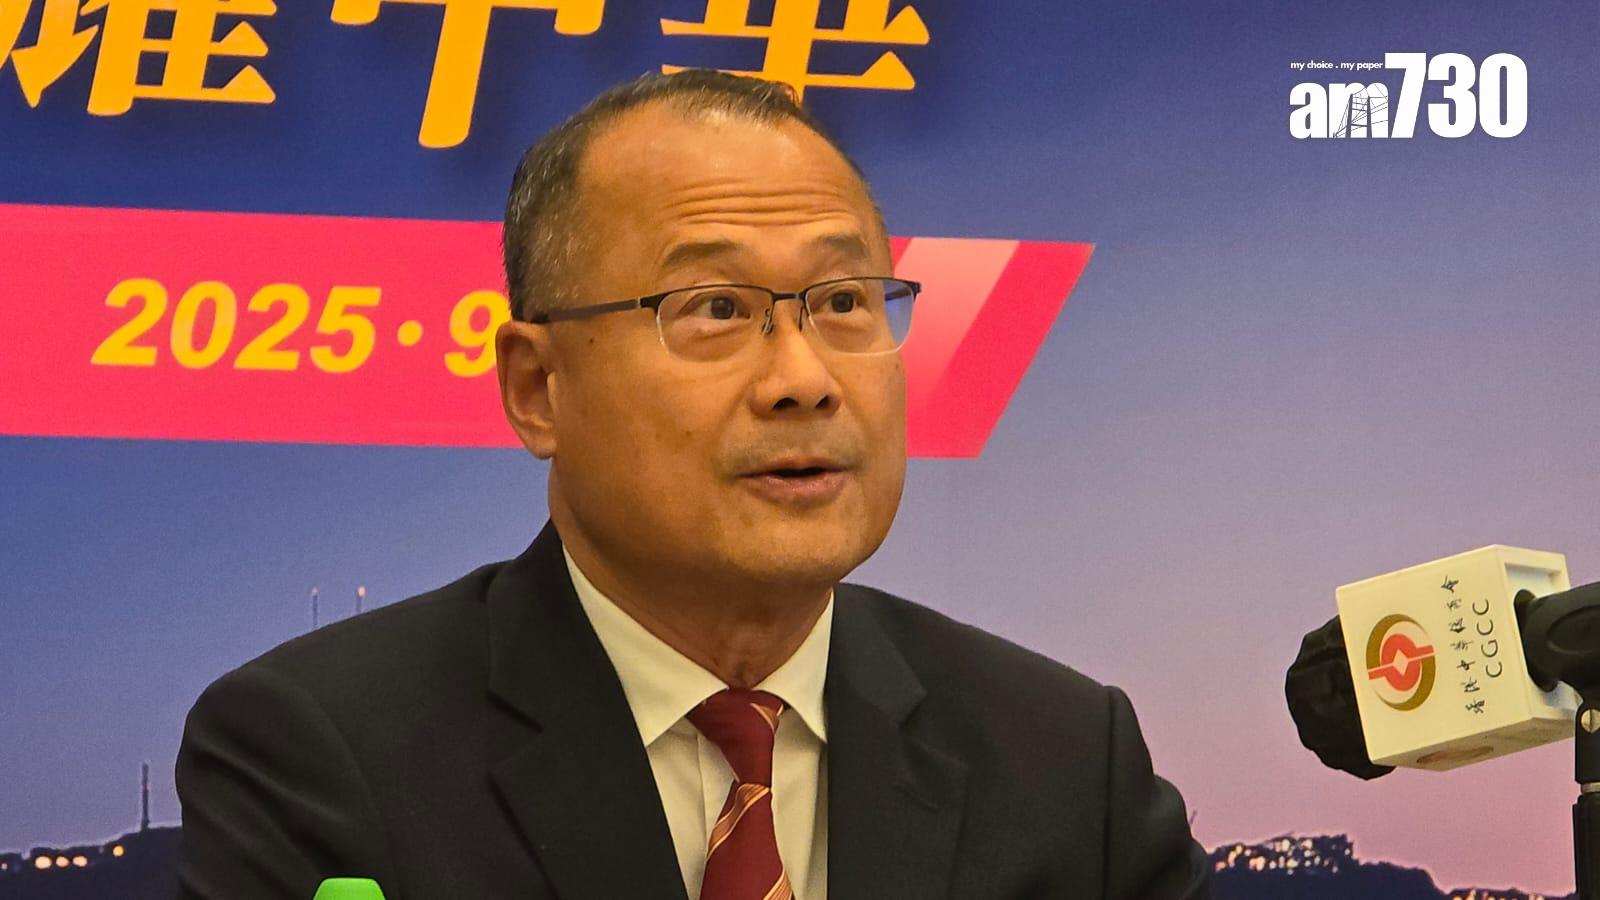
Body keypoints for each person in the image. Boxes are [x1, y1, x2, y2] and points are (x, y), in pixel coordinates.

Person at [175, 69, 1210, 900]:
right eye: (715, 308)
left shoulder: (1066, 755)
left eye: (844, 301)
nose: (804, 378)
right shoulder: (323, 754)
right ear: (537, 388)